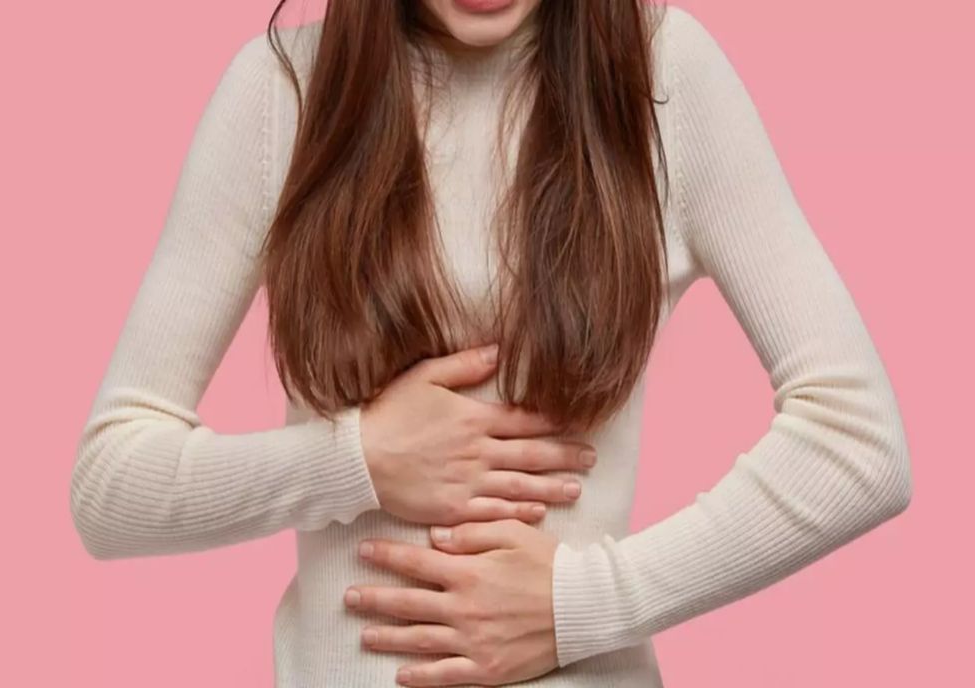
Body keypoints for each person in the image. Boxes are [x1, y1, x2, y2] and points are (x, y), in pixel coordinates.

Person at [69, 1, 913, 686]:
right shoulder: (282, 91)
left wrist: (576, 605)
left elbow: (858, 443)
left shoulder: (664, 75)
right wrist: (356, 460)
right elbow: (111, 487)